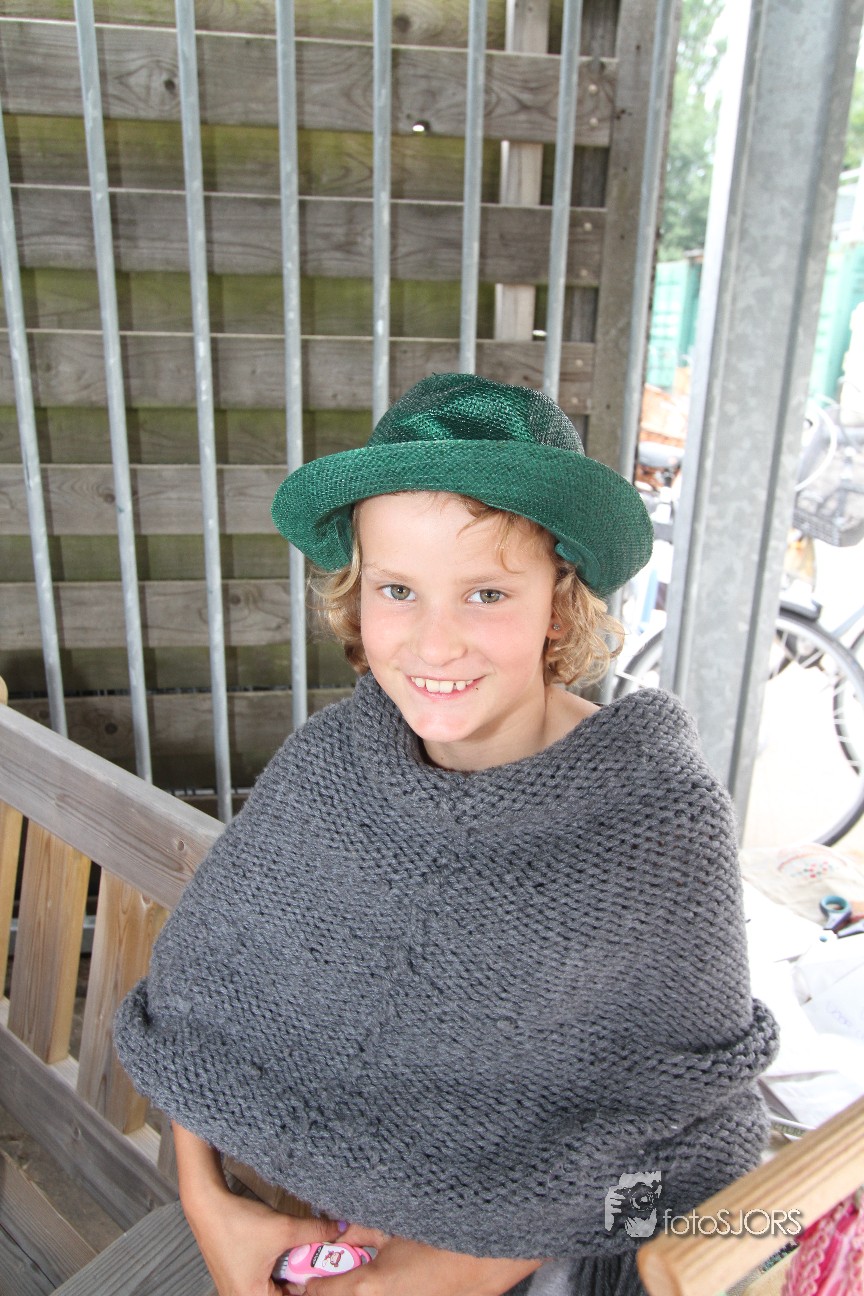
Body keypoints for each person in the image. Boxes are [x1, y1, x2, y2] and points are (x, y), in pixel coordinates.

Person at [114, 373, 779, 1296]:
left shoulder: (654, 818)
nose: (434, 645)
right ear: (356, 596)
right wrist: (206, 1203)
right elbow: (198, 1008)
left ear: (561, 598)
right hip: (314, 1242)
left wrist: (461, 1269)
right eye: (399, 589)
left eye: (487, 594)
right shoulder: (330, 770)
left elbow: (696, 1153)